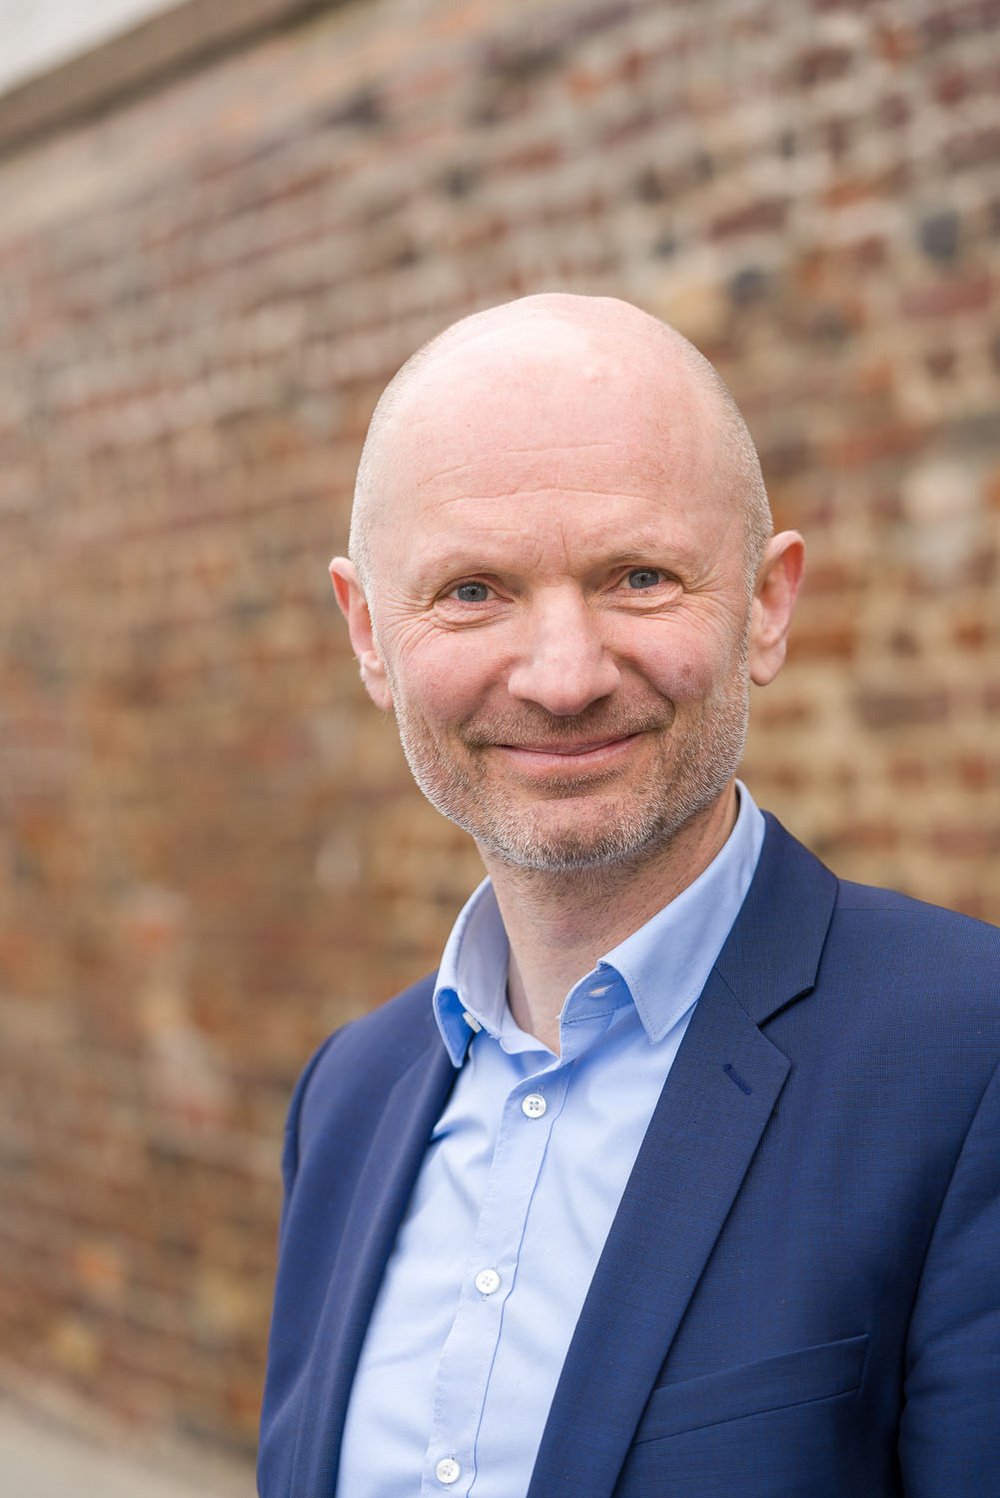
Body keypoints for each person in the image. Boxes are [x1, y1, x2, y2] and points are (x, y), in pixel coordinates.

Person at [257, 294, 1000, 1498]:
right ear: (368, 633)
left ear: (766, 604)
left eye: (639, 576)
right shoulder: (345, 1098)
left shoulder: (968, 1059)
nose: (562, 678)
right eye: (472, 591)